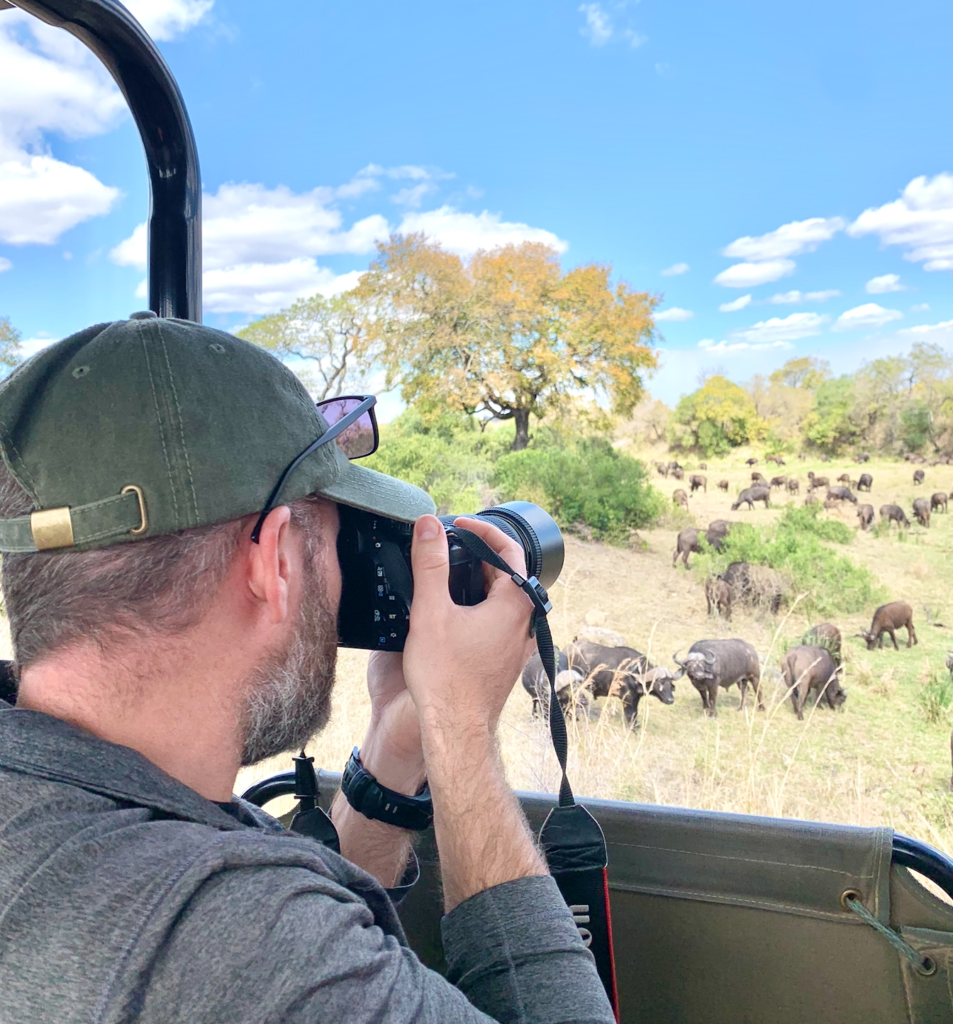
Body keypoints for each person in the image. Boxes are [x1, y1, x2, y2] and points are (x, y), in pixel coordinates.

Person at [0, 314, 613, 1024]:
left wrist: (400, 739)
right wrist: (463, 728)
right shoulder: (238, 937)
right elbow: (278, 949)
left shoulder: (121, 843)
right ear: (276, 559)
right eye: (335, 539)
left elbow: (315, 920)